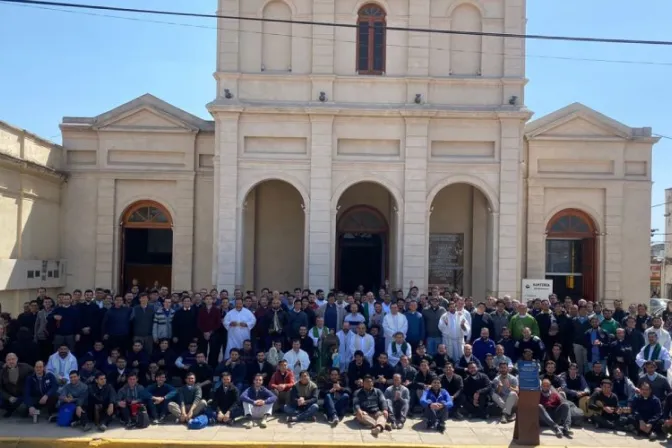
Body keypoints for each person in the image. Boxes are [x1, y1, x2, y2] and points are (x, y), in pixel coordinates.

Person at [1, 353, 33, 417]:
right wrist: (8, 397)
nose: (11, 361)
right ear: (6, 361)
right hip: (10, 396)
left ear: (17, 359)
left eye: (13, 359)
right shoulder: (2, 372)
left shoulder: (25, 367)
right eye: (9, 360)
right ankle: (10, 410)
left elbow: (36, 372)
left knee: (23, 410)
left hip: (22, 395)